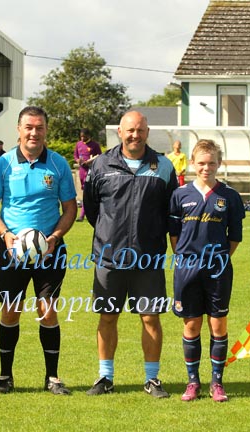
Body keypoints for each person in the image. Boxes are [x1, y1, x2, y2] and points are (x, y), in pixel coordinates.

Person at [0, 106, 77, 396]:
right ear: (19, 130)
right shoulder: (4, 164)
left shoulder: (58, 165)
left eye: (39, 127)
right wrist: (6, 235)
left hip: (49, 251)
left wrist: (55, 237)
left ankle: (53, 377)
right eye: (29, 127)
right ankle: (4, 377)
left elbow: (70, 208)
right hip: (12, 251)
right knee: (10, 312)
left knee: (47, 311)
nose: (34, 133)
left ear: (45, 130)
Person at [83, 110, 178, 398]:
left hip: (147, 259)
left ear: (147, 132)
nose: (134, 135)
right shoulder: (101, 165)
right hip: (109, 257)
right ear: (120, 133)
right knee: (108, 317)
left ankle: (152, 379)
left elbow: (170, 212)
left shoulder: (163, 166)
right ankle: (105, 377)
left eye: (140, 130)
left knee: (150, 318)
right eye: (129, 130)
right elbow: (92, 209)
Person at [168, 139, 245, 402]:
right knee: (191, 324)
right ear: (192, 163)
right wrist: (186, 258)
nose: (206, 167)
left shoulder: (229, 196)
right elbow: (175, 235)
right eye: (201, 163)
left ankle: (217, 383)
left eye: (212, 162)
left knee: (218, 324)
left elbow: (234, 237)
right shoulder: (180, 195)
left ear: (219, 164)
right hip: (187, 269)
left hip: (218, 270)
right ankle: (192, 383)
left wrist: (219, 259)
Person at [73, 128, 102, 222]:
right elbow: (75, 155)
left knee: (86, 192)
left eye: (84, 136)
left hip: (90, 171)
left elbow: (100, 156)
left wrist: (91, 161)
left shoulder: (95, 145)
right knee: (84, 192)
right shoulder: (78, 144)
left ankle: (81, 215)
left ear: (89, 136)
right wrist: (78, 161)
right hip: (81, 170)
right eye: (81, 136)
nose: (82, 138)